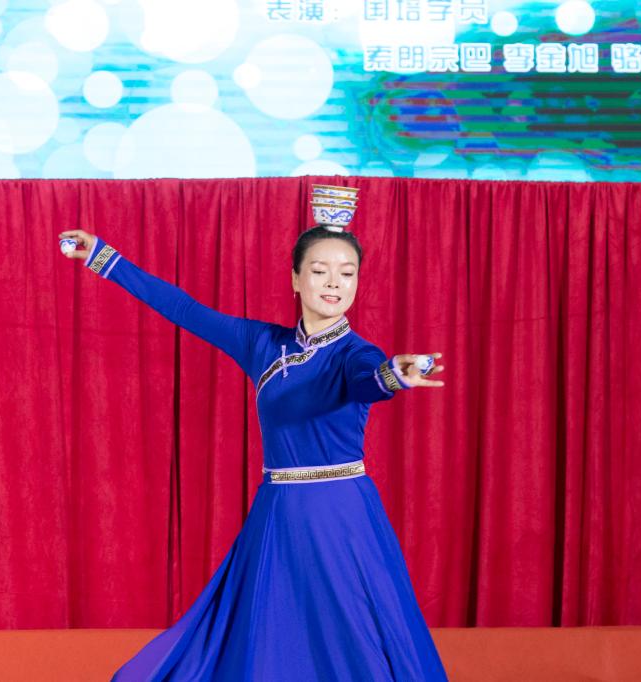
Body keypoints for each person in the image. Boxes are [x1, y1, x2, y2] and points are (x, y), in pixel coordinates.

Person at [59, 223, 448, 681]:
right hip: (277, 510)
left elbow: (368, 379)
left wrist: (393, 375)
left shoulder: (356, 353)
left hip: (340, 513)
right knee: (270, 628)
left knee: (354, 630)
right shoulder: (263, 344)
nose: (334, 284)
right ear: (295, 278)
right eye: (320, 271)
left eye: (347, 273)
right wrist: (103, 258)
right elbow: (184, 309)